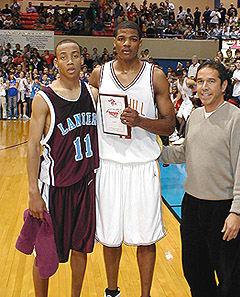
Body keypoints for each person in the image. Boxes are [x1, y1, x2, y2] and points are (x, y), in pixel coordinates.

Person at [89, 21, 175, 297]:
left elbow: (170, 125)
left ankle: (145, 294)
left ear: (141, 42)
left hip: (142, 165)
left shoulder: (155, 76)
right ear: (113, 41)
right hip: (109, 164)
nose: (127, 43)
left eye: (133, 39)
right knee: (110, 237)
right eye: (121, 38)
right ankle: (111, 291)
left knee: (145, 236)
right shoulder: (98, 75)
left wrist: (140, 121)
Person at [159, 60, 240, 297]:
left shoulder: (237, 119)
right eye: (200, 81)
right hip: (192, 205)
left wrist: (237, 211)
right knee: (194, 270)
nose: (204, 87)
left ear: (223, 86)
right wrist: (153, 152)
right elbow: (184, 152)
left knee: (229, 278)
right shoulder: (195, 115)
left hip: (223, 209)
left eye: (211, 81)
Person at [27, 39, 99, 297]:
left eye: (75, 55)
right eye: (64, 57)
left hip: (85, 185)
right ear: (56, 62)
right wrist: (33, 191)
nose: (70, 61)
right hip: (54, 188)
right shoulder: (43, 98)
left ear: (83, 59)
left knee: (81, 248)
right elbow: (33, 146)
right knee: (45, 252)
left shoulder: (92, 93)